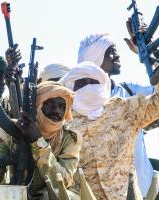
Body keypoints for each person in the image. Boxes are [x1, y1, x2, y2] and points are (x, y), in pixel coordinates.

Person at [0, 81, 82, 199]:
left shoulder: (70, 137)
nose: (57, 111)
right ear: (38, 105)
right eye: (50, 104)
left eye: (61, 106)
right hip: (16, 193)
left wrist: (37, 141)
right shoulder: (12, 129)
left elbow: (62, 181)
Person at [59, 61, 159, 199]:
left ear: (103, 83)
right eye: (82, 82)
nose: (88, 84)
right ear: (71, 87)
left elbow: (157, 104)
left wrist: (156, 75)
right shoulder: (62, 123)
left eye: (93, 81)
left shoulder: (124, 108)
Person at [77, 32, 156, 196]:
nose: (117, 55)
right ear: (96, 58)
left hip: (142, 190)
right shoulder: (74, 106)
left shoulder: (129, 92)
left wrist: (147, 54)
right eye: (110, 51)